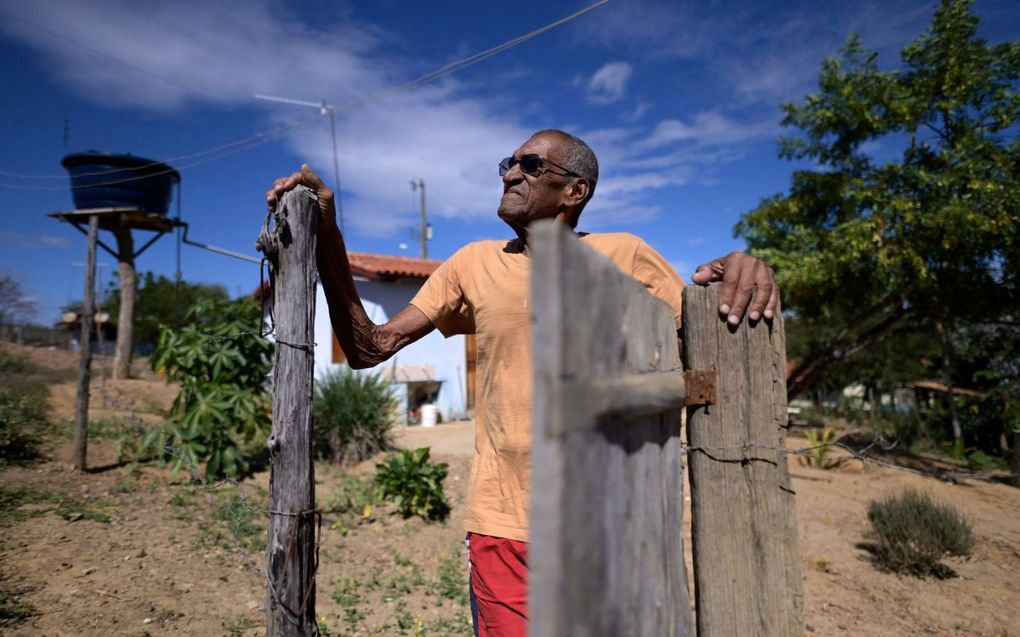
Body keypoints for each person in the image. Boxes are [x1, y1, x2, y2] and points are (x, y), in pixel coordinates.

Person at [266, 129, 777, 637]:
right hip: (504, 528)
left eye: (531, 165)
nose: (510, 172)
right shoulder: (473, 263)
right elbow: (367, 347)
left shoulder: (626, 254)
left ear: (575, 191)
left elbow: (702, 349)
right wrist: (328, 237)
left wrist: (738, 268)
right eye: (510, 162)